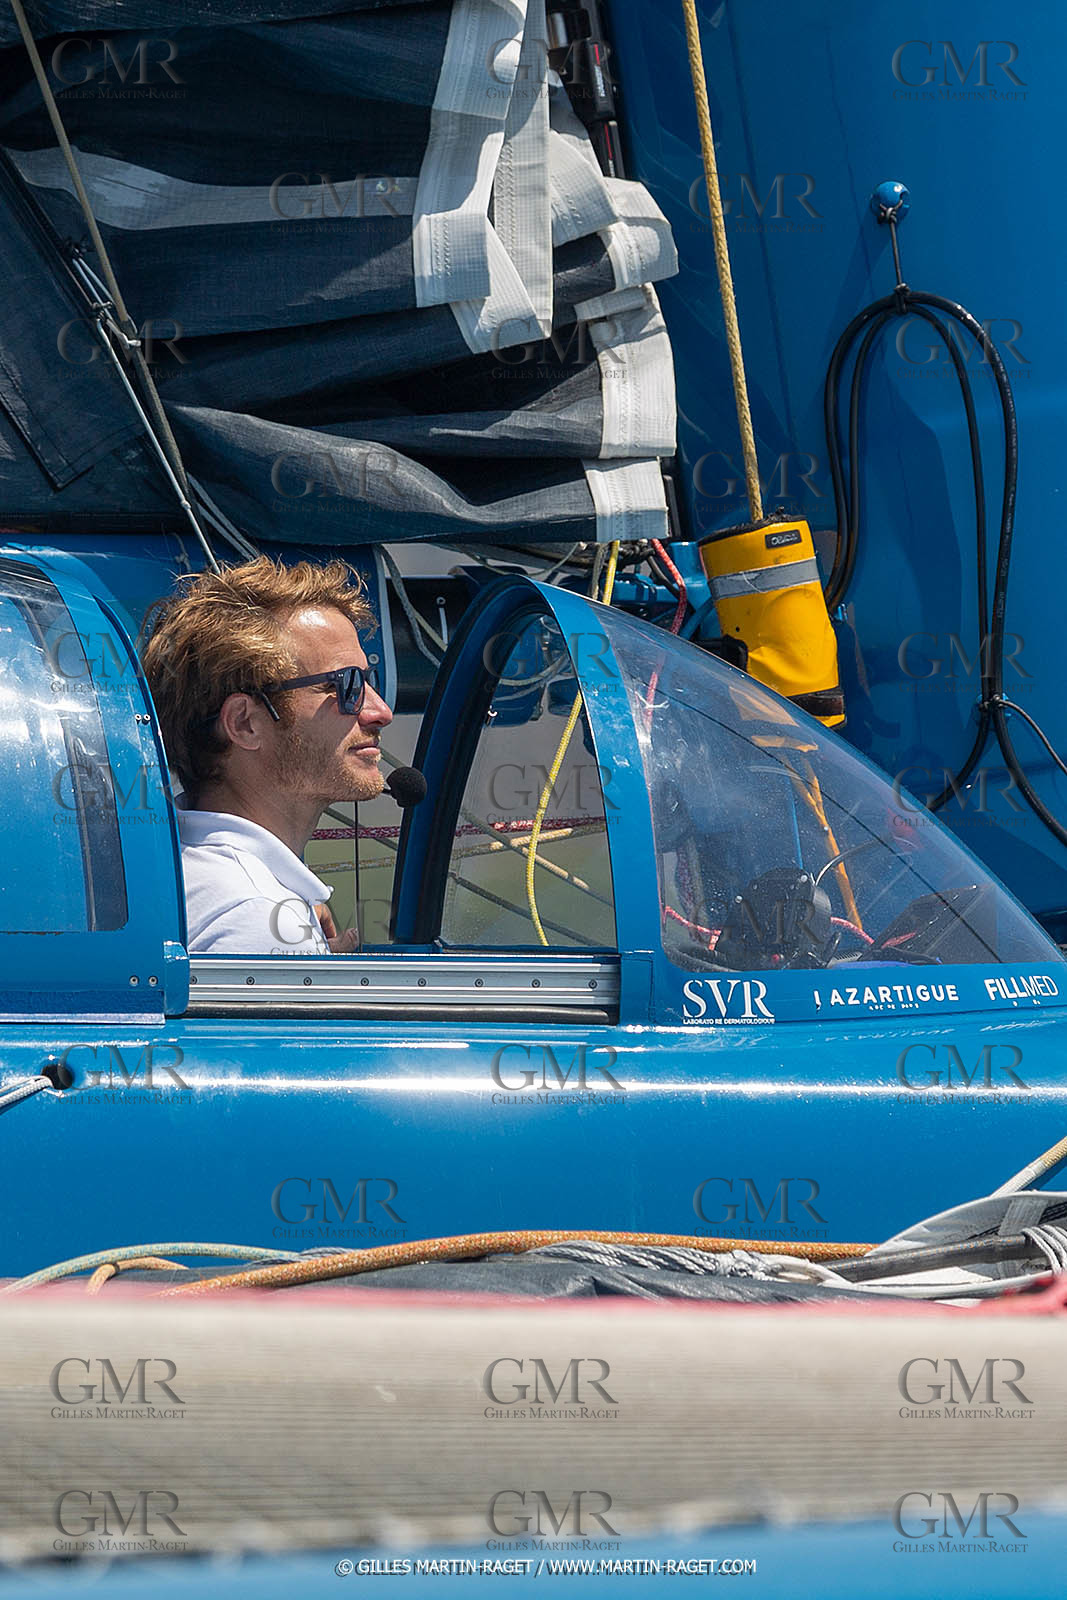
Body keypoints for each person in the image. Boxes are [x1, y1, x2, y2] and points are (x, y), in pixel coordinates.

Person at [141, 556, 392, 955]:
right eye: (347, 685)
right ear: (245, 723)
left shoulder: (177, 871)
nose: (380, 712)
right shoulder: (256, 916)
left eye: (368, 681)